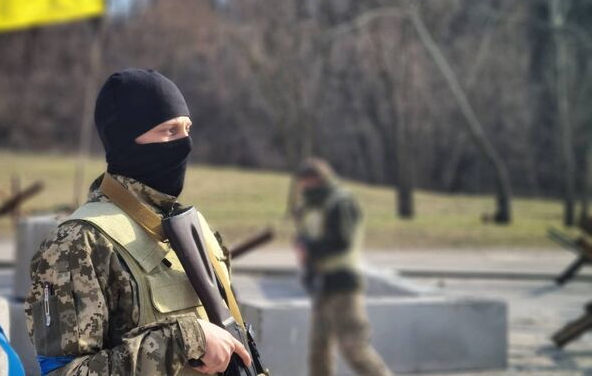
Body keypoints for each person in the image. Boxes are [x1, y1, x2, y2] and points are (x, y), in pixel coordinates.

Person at [24, 68, 252, 376]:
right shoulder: (78, 243)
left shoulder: (194, 229)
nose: (185, 143)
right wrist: (183, 340)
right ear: (126, 140)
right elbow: (66, 373)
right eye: (169, 131)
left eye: (187, 129)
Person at [291, 158, 391, 376]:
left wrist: (309, 248)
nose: (303, 188)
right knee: (319, 351)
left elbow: (342, 240)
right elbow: (307, 235)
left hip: (343, 284)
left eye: (307, 182)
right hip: (322, 284)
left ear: (318, 179)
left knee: (354, 347)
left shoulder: (340, 202)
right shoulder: (311, 206)